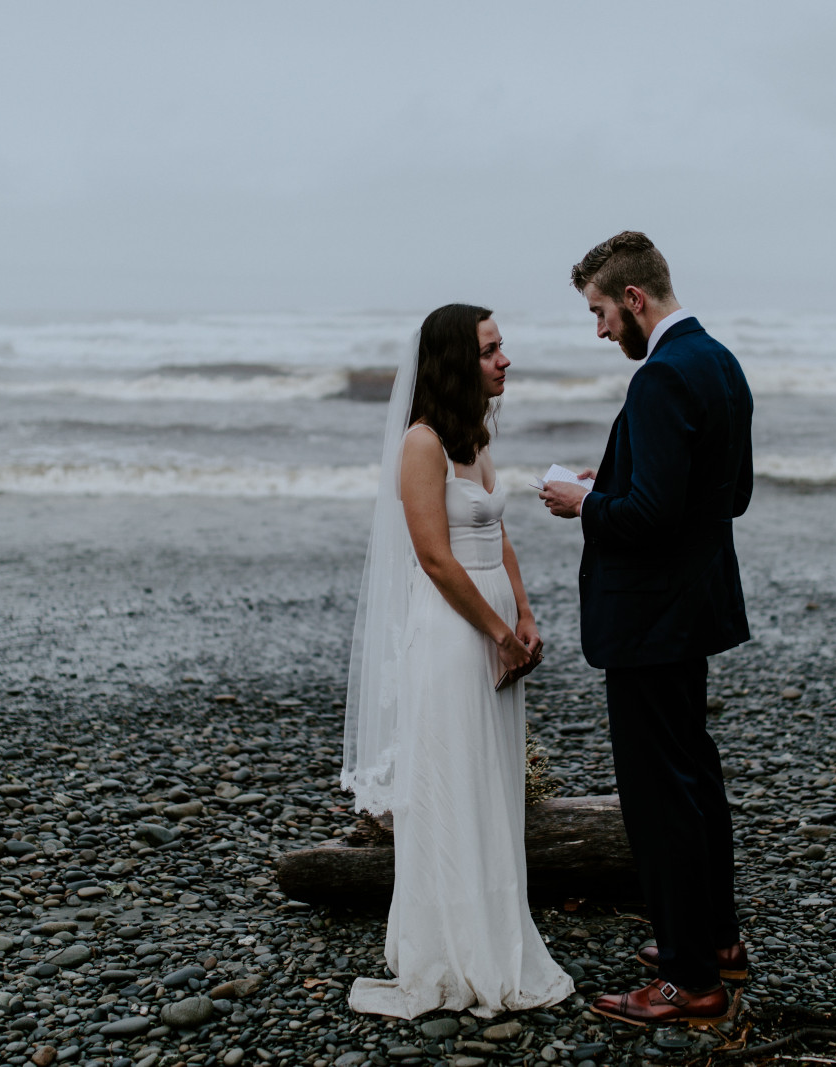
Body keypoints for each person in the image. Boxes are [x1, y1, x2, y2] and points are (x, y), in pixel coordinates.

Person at [539, 232, 754, 1028]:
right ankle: (717, 940)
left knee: (659, 796)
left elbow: (652, 516)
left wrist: (585, 504)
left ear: (634, 300)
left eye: (600, 312)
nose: (599, 331)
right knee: (695, 776)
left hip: (649, 618)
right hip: (693, 607)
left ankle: (690, 982)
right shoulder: (720, 362)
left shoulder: (661, 377)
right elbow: (727, 495)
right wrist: (619, 480)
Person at [341, 303, 574, 1019]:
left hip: (495, 625)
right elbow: (436, 558)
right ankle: (452, 943)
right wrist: (496, 633)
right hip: (450, 635)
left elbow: (496, 533)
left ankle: (499, 927)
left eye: (502, 347)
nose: (505, 359)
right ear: (453, 360)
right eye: (491, 350)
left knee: (493, 782)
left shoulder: (476, 437)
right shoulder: (423, 443)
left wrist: (525, 614)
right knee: (453, 779)